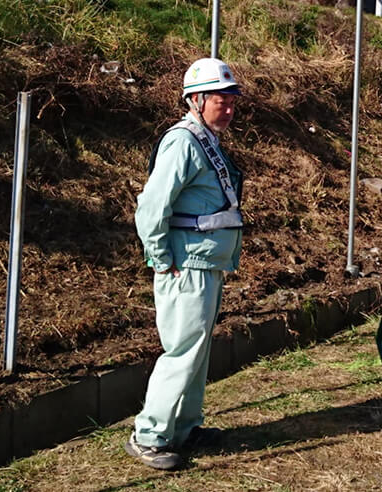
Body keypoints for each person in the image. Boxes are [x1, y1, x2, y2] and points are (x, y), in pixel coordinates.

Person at [126, 57, 245, 471]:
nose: (227, 108)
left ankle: (185, 426)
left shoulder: (204, 139)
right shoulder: (183, 142)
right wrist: (160, 259)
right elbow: (151, 207)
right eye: (219, 99)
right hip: (185, 265)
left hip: (205, 262)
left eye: (232, 100)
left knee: (197, 350)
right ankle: (150, 435)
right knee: (181, 352)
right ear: (195, 100)